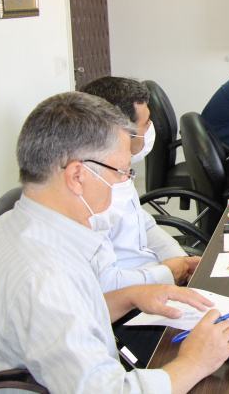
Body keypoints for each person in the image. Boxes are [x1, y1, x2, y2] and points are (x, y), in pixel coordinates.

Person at [0, 92, 229, 392]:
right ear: (77, 176)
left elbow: (63, 320)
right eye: (122, 172)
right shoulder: (47, 274)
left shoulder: (10, 227)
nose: (126, 183)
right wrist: (193, 362)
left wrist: (130, 297)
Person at [81, 76, 200, 290]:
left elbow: (145, 225)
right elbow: (106, 285)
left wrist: (181, 262)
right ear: (119, 131)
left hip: (154, 276)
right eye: (145, 123)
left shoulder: (119, 171)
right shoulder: (90, 188)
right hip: (134, 295)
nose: (150, 128)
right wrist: (167, 273)